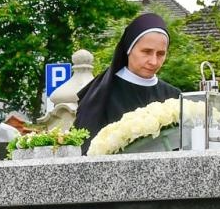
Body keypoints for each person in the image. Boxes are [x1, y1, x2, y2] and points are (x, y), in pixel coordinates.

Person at [74, 12, 182, 149]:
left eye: (161, 54)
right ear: (129, 49)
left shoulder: (174, 95)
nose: (154, 61)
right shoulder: (100, 97)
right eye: (146, 52)